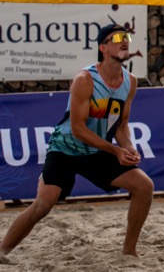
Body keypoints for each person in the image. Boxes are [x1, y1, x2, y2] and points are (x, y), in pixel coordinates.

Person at [1, 23, 153, 258]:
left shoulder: (130, 82)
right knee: (43, 205)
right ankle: (2, 251)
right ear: (103, 47)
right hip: (65, 149)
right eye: (117, 38)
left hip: (95, 151)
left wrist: (129, 147)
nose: (125, 41)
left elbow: (121, 125)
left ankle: (129, 253)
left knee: (144, 186)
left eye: (127, 37)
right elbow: (78, 129)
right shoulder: (85, 79)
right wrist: (115, 151)